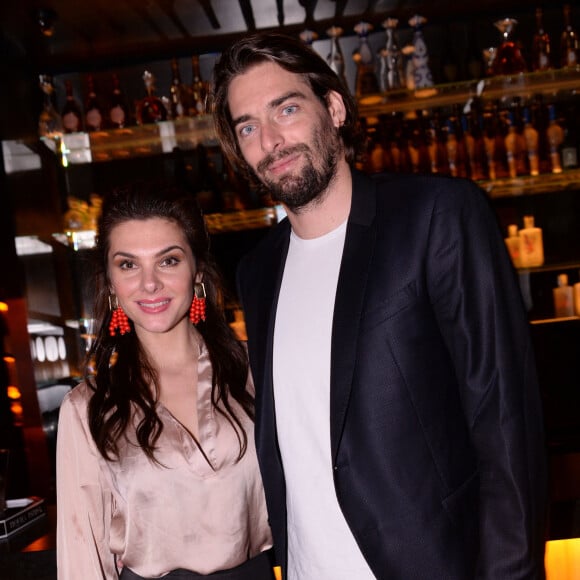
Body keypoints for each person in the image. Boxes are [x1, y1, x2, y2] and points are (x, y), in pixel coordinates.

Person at [210, 32, 548, 579]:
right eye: (248, 126)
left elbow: (503, 419)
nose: (271, 140)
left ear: (335, 107)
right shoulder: (257, 270)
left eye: (287, 108)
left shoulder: (437, 217)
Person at [56, 181, 274, 580]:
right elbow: (80, 552)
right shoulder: (87, 408)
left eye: (168, 260)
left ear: (197, 272)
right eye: (128, 265)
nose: (149, 283)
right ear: (110, 285)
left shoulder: (258, 369)